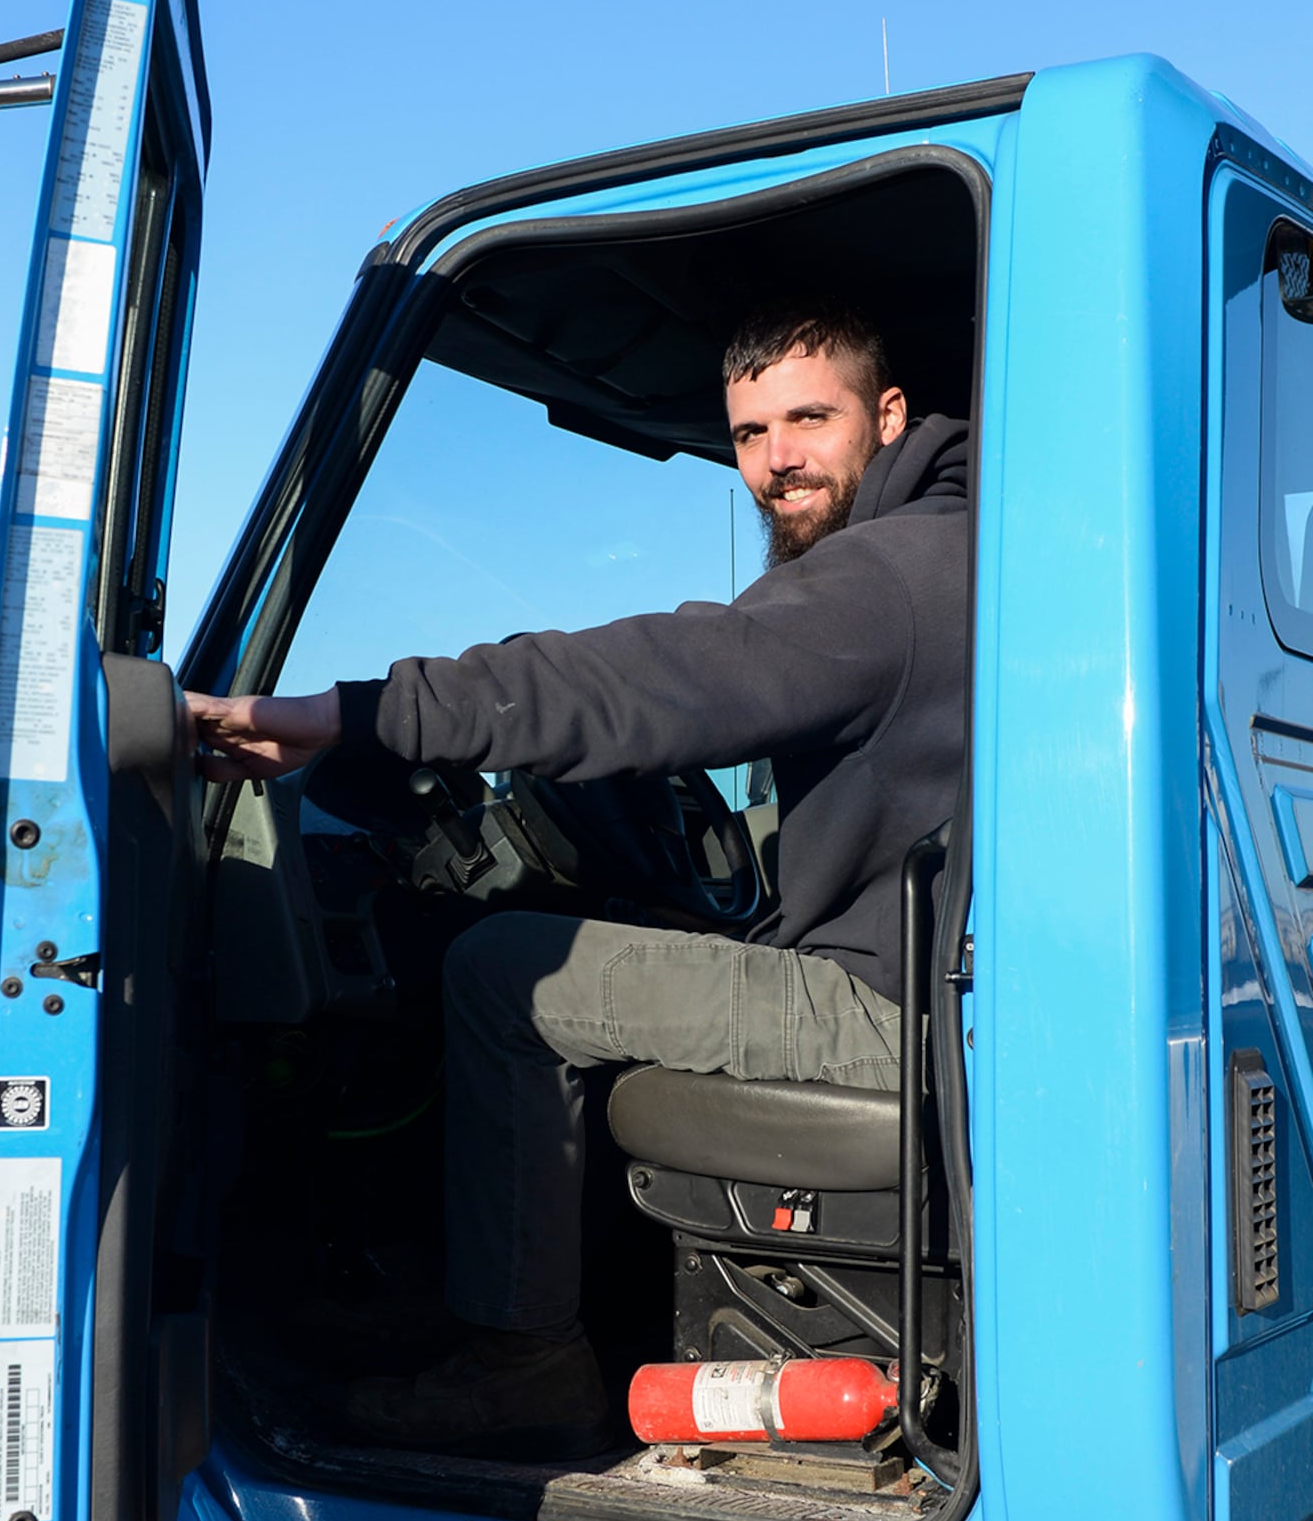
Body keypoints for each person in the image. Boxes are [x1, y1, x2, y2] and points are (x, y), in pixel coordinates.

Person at [188, 304, 969, 1461]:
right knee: (624, 937)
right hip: (936, 993)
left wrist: (349, 716)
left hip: (888, 1012)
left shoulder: (886, 577)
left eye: (810, 418)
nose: (776, 460)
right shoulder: (963, 548)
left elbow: (655, 678)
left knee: (504, 969)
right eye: (751, 434)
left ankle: (522, 1363)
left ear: (889, 416)